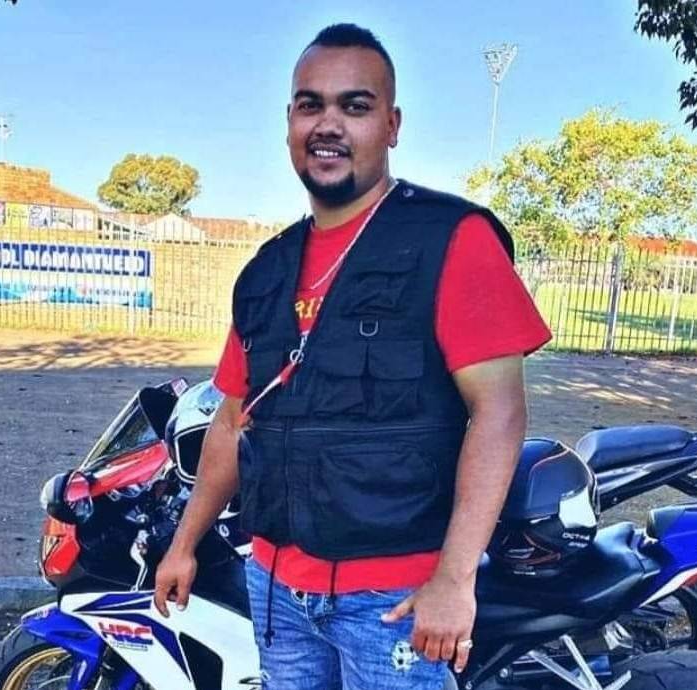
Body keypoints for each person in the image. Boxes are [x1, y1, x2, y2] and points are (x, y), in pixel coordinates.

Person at [154, 23, 551, 690]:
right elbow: (232, 419)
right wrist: (184, 543)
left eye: (355, 106)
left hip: (394, 600)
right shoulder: (265, 272)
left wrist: (455, 579)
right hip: (276, 588)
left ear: (391, 125)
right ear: (289, 122)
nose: (328, 124)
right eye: (311, 105)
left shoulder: (451, 239)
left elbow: (499, 413)